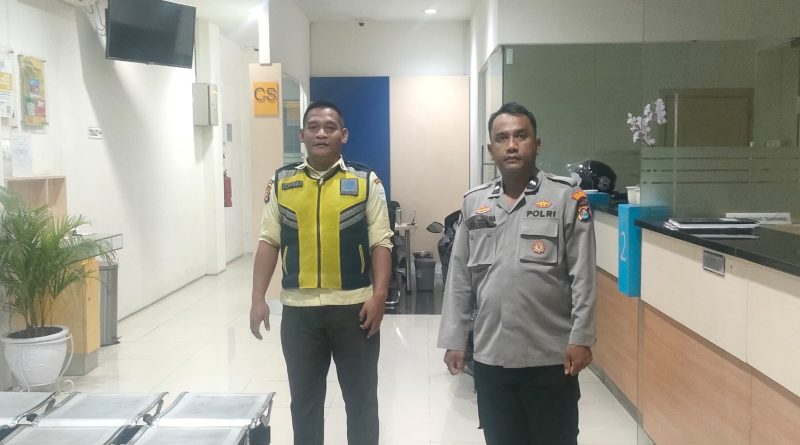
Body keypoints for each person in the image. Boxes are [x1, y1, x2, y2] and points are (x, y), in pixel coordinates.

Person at [437, 102, 597, 445]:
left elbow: (583, 277)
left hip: (550, 356)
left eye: (521, 136)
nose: (511, 145)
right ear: (491, 148)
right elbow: (460, 278)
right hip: (492, 356)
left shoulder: (567, 198)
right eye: (502, 138)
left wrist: (582, 338)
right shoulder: (474, 202)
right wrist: (454, 339)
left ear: (537, 144)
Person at [250, 100, 393, 445]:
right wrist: (257, 298)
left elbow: (381, 243)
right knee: (304, 404)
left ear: (344, 135)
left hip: (354, 311)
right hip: (299, 314)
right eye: (313, 127)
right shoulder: (282, 181)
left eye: (330, 127)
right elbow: (269, 241)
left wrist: (379, 296)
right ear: (302, 135)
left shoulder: (365, 181)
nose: (321, 133)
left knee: (361, 402)